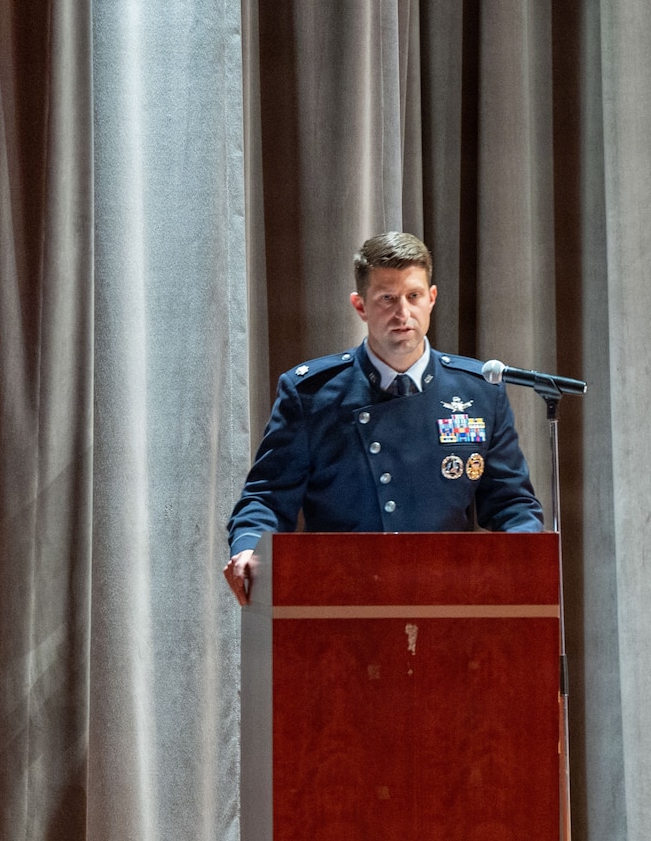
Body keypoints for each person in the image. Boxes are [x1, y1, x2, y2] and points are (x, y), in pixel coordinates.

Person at [223, 231, 545, 602]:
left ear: (432, 298)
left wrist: (523, 555)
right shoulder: (312, 393)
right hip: (340, 596)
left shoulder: (478, 391)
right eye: (387, 298)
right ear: (360, 306)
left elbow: (512, 503)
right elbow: (266, 497)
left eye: (413, 296)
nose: (402, 313)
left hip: (446, 596)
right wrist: (248, 548)